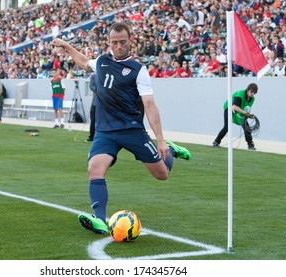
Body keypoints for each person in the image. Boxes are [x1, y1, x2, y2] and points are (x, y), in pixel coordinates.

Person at [52, 22, 191, 235]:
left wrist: (161, 140)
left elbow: (150, 106)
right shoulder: (102, 61)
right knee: (94, 169)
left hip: (132, 130)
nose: (118, 46)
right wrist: (66, 46)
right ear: (109, 43)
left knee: (161, 174)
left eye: (122, 42)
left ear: (130, 42)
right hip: (105, 132)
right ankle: (99, 219)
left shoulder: (138, 71)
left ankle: (170, 151)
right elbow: (82, 61)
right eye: (114, 42)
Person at [213, 83, 258, 150]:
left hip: (239, 111)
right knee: (226, 127)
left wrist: (249, 115)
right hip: (229, 108)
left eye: (254, 92)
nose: (252, 94)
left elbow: (246, 108)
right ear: (248, 90)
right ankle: (216, 141)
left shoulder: (252, 99)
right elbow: (234, 107)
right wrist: (245, 113)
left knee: (246, 127)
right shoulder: (240, 94)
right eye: (251, 91)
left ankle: (250, 144)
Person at [86, 73, 97, 142]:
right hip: (95, 102)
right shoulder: (93, 76)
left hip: (105, 103)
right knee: (93, 119)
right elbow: (91, 86)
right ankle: (91, 136)